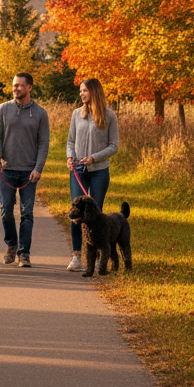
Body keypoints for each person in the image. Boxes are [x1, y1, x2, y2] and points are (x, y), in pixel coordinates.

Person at [0, 72, 50, 268]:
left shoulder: (40, 113)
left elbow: (43, 143)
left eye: (20, 86)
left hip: (28, 173)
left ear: (29, 87)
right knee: (5, 210)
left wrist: (38, 168)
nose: (16, 89)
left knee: (27, 213)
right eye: (14, 85)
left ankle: (24, 253)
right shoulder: (3, 109)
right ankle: (12, 245)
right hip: (6, 170)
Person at [65, 77, 119, 272]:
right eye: (80, 91)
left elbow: (114, 146)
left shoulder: (109, 116)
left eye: (84, 90)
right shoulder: (76, 114)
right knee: (76, 213)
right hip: (78, 171)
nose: (81, 94)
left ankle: (95, 257)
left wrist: (94, 158)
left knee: (95, 216)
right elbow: (70, 141)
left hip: (99, 172)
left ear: (94, 92)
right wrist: (70, 157)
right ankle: (77, 256)